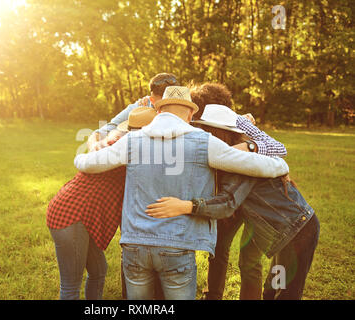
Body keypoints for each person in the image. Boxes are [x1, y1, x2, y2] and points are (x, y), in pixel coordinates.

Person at [74, 86, 290, 299]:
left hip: (135, 245)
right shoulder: (204, 143)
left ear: (159, 111)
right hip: (178, 244)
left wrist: (89, 149)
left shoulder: (132, 141)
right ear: (190, 114)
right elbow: (256, 165)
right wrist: (281, 166)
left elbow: (86, 163)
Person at [145, 117, 319, 300]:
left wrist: (186, 206)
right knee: (273, 289)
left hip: (298, 233)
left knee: (284, 293)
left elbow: (227, 203)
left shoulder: (243, 162)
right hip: (284, 236)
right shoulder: (233, 157)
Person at [189, 83, 288, 300]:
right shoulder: (194, 121)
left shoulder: (237, 121)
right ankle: (212, 295)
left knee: (249, 258)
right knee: (218, 247)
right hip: (228, 194)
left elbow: (280, 148)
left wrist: (248, 147)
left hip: (254, 199)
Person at [46, 107, 157, 300]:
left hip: (82, 214)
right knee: (71, 285)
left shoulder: (125, 143)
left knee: (99, 270)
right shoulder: (125, 147)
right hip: (71, 214)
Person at [87, 73, 178, 151]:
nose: (165, 109)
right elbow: (104, 130)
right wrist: (94, 146)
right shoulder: (140, 108)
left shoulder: (186, 109)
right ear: (152, 100)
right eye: (160, 105)